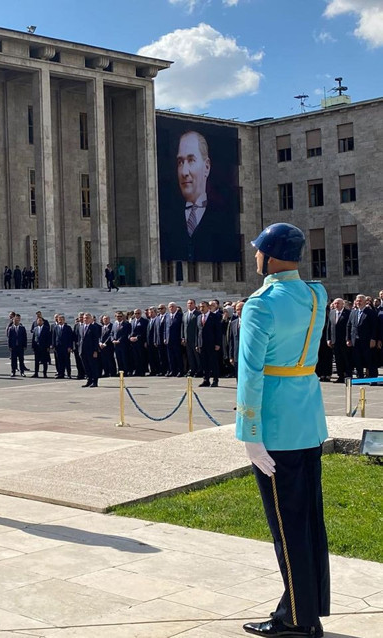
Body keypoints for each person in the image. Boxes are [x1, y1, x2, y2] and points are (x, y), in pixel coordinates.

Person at [236, 223, 329, 638]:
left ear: (271, 256)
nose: (255, 255)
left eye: (258, 250)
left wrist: (249, 432)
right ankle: (306, 607)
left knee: (287, 528)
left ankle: (297, 619)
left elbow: (251, 373)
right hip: (308, 420)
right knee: (308, 521)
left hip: (275, 428)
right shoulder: (316, 294)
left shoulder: (261, 304)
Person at [161, 130, 238, 263]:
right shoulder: (167, 219)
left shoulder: (224, 217)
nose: (184, 172)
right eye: (180, 162)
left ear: (206, 167)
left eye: (191, 160)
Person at [196, 300, 222, 387]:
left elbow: (218, 331)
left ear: (208, 307)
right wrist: (197, 344)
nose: (201, 308)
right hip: (202, 344)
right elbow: (197, 332)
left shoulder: (214, 317)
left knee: (213, 363)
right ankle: (206, 380)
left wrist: (218, 343)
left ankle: (215, 380)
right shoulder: (199, 317)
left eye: (203, 307)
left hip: (212, 344)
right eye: (200, 307)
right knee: (204, 363)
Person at [327, 298, 350, 382]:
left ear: (342, 304)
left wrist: (348, 338)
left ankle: (348, 375)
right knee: (338, 359)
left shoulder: (347, 313)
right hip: (335, 340)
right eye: (335, 303)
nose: (336, 305)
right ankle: (340, 376)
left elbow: (349, 327)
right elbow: (329, 327)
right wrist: (328, 339)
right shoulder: (332, 313)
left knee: (346, 359)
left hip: (344, 340)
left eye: (338, 303)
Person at [80, 312, 101, 387]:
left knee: (93, 366)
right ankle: (89, 380)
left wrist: (95, 350)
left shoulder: (94, 327)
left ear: (91, 319)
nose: (85, 319)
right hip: (83, 350)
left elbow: (95, 340)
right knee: (86, 366)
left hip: (91, 350)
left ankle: (95, 381)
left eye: (87, 318)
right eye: (84, 318)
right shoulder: (81, 327)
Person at [182, 299, 201, 377]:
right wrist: (183, 337)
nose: (189, 305)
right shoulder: (185, 314)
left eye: (191, 303)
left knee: (197, 356)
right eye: (188, 303)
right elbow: (183, 326)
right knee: (190, 356)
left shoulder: (198, 314)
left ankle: (199, 370)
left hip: (195, 339)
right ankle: (192, 370)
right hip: (187, 339)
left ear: (194, 304)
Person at [52, 314, 73, 379]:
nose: (60, 321)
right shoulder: (55, 327)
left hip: (66, 347)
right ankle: (61, 374)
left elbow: (70, 338)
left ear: (64, 320)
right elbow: (54, 337)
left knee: (67, 361)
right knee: (59, 361)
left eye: (61, 319)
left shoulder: (68, 328)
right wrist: (53, 346)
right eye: (59, 319)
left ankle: (69, 374)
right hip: (58, 347)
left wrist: (70, 347)